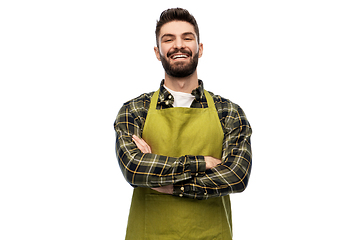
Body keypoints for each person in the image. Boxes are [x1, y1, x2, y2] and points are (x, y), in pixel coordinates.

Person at [114, 8, 252, 240]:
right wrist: (204, 163)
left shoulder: (228, 111)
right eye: (169, 39)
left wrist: (168, 186)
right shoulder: (134, 110)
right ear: (158, 52)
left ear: (199, 48)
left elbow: (236, 176)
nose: (179, 45)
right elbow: (135, 168)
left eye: (187, 38)